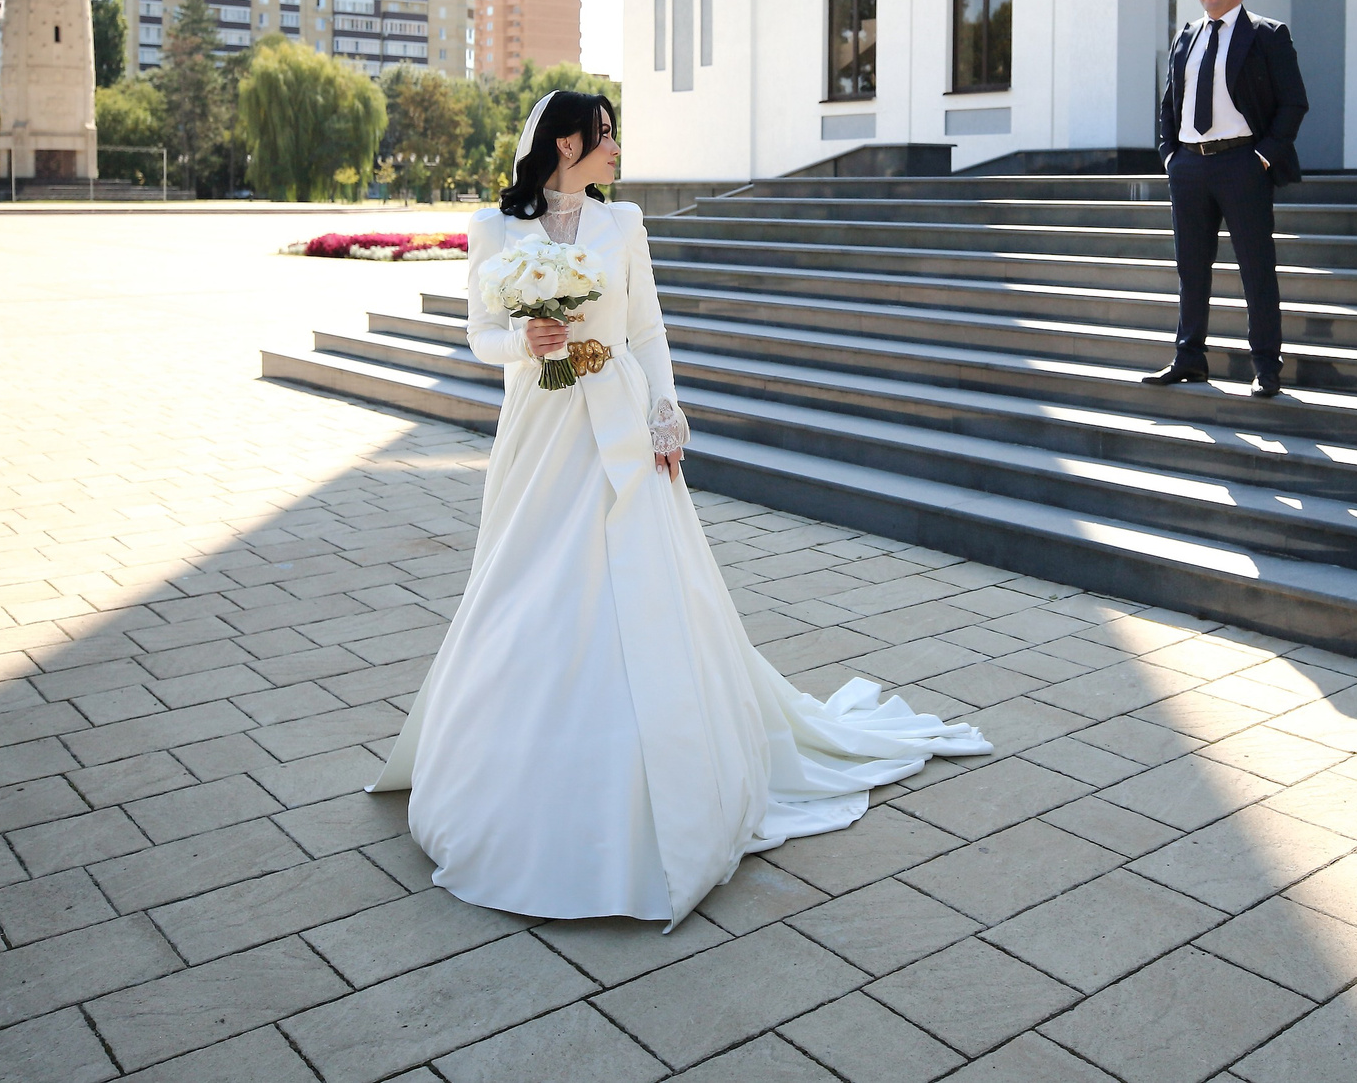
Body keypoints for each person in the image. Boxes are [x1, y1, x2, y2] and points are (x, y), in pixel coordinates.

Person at [368, 90, 988, 928]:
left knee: (641, 585)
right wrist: (526, 341)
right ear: (564, 142)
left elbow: (649, 327)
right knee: (528, 582)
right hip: (541, 432)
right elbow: (482, 334)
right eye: (605, 134)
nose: (617, 147)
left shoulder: (623, 224)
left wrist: (667, 406)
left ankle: (668, 776)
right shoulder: (495, 230)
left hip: (621, 421)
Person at [1145, 0, 1309, 398]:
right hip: (1190, 165)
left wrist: (1263, 158)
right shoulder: (1186, 36)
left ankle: (1266, 367)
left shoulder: (1267, 35)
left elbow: (1293, 102)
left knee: (1256, 268)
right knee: (1191, 268)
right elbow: (1168, 104)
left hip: (1243, 163)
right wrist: (1170, 155)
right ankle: (1189, 359)